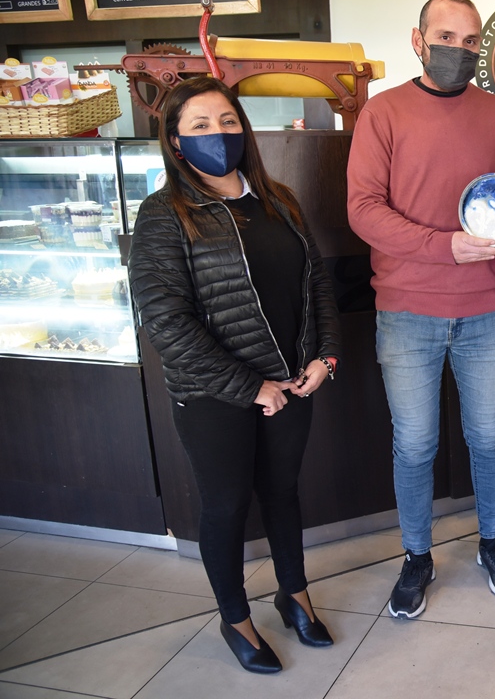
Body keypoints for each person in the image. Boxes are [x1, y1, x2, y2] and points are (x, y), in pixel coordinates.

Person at [128, 76, 341, 674]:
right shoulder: (164, 214)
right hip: (214, 395)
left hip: (292, 384)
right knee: (225, 506)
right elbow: (166, 322)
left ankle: (294, 595)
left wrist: (325, 356)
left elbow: (316, 284)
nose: (217, 134)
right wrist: (250, 387)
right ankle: (236, 619)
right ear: (175, 141)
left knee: (282, 492)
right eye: (199, 125)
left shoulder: (279, 200)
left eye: (227, 121)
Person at [346, 0, 495, 619]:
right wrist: (443, 246)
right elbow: (363, 210)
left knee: (488, 436)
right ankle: (417, 555)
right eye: (446, 37)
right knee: (415, 444)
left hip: (487, 307)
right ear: (418, 40)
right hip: (407, 310)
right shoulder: (383, 112)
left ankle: (493, 541)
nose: (459, 49)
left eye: (471, 40)